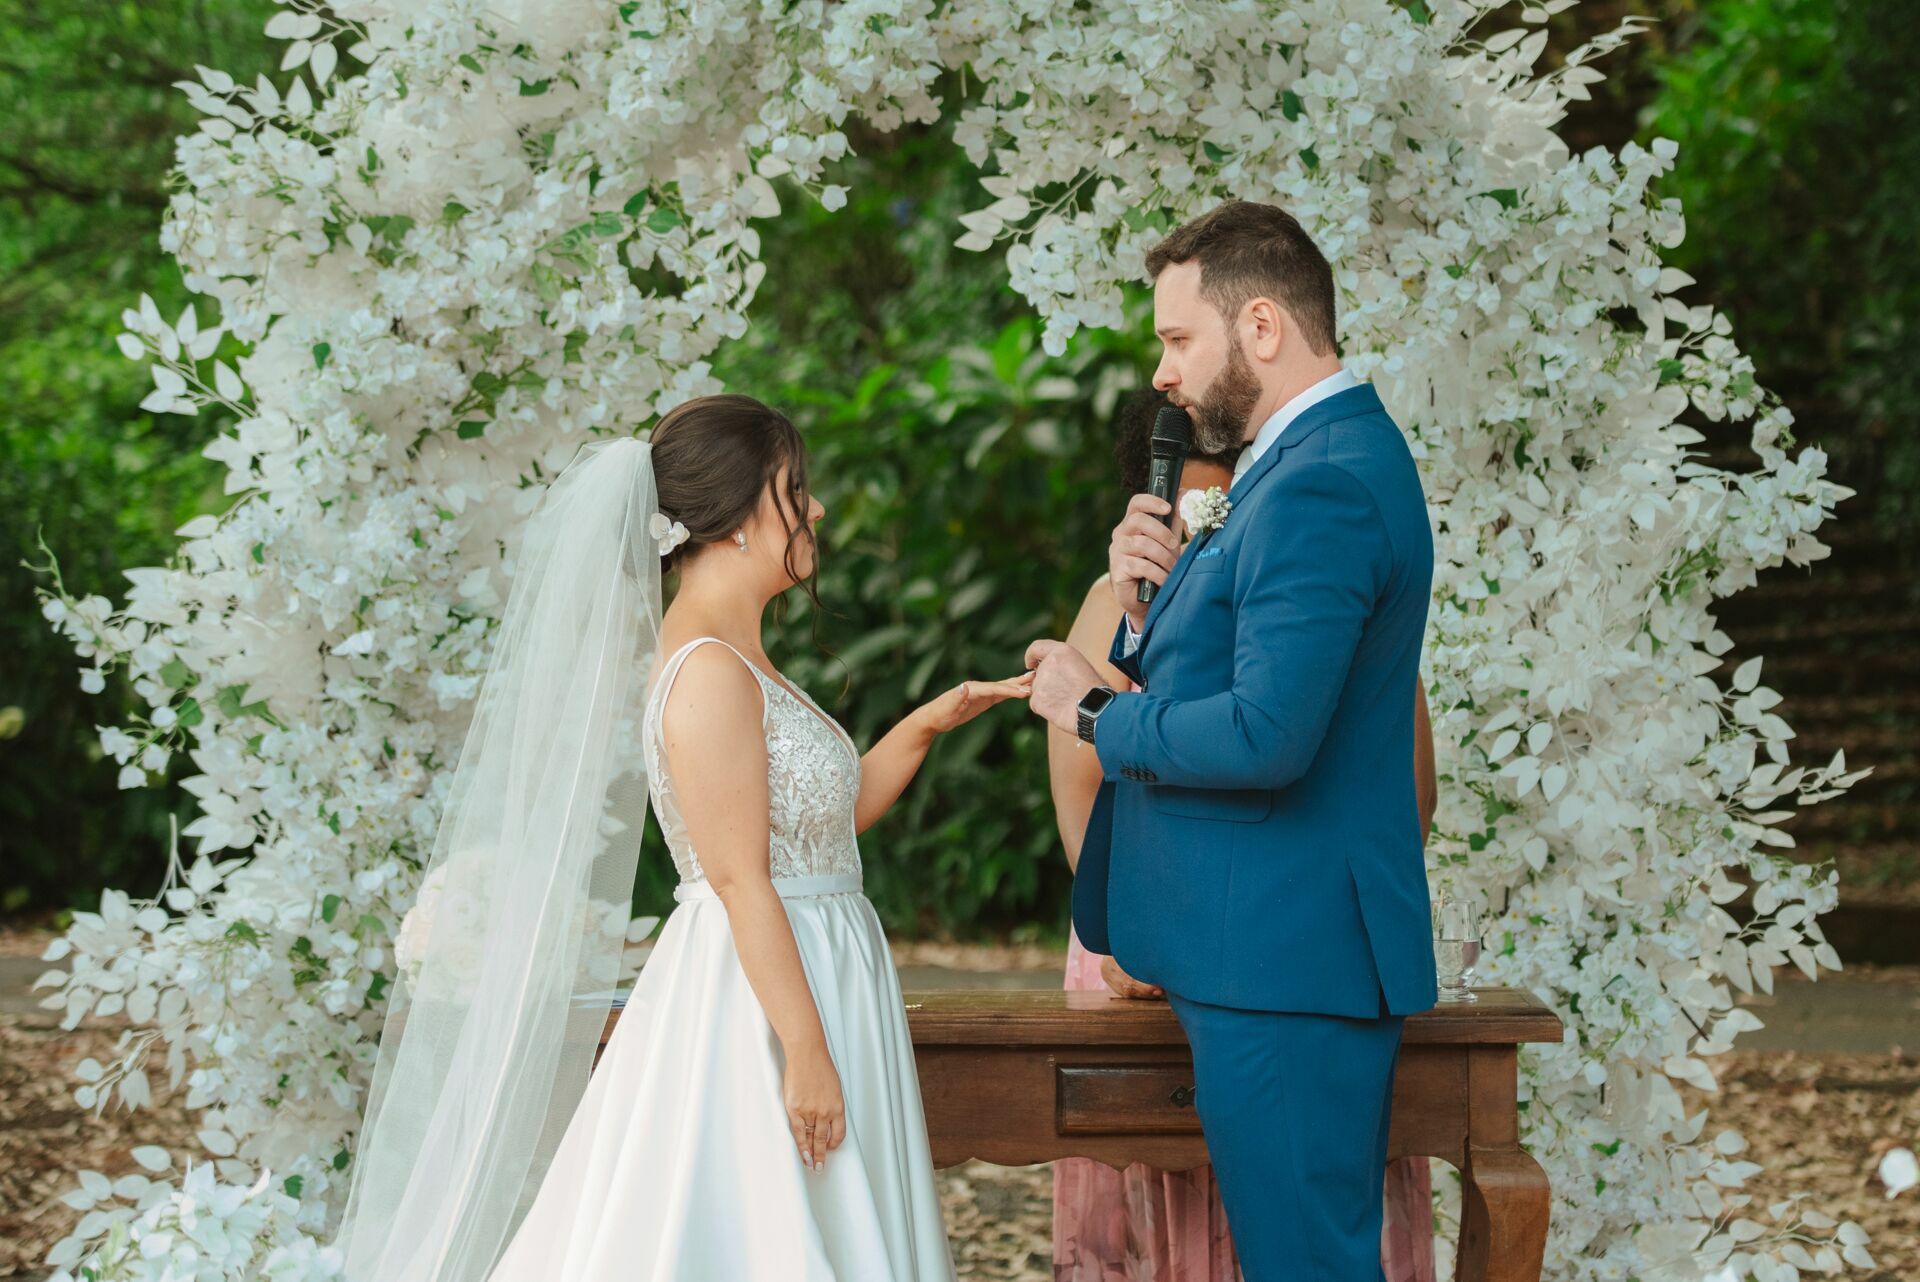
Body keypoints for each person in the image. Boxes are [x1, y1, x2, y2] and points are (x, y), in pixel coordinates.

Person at [332, 395, 1030, 1282]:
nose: (816, 510)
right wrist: (806, 1050)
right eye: (795, 490)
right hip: (759, 995)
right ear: (736, 516)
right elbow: (741, 879)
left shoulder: (740, 654)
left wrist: (928, 724)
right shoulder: (707, 669)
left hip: (820, 959)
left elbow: (820, 829)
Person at [1025, 201, 1440, 1282]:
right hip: (1255, 952)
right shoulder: (1291, 464)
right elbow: (1229, 673)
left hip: (1284, 958)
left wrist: (1093, 711)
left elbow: (1266, 734)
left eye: (1178, 339)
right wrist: (1139, 605)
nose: (1162, 373)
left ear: (1261, 325)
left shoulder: (1321, 481)